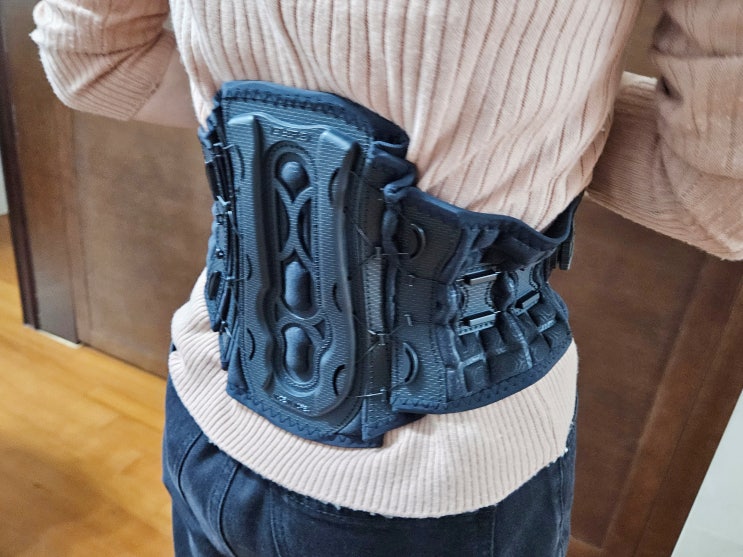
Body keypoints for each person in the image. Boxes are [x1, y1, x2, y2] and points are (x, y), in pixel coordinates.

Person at [31, 1, 743, 555]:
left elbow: (94, 62)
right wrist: (536, 122)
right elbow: (717, 204)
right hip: (429, 482)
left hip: (210, 413)